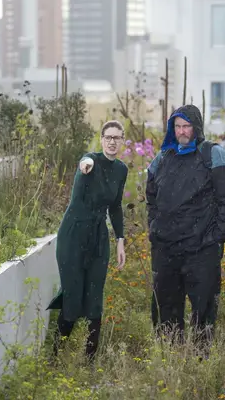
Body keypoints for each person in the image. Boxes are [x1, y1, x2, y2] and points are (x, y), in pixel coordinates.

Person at [146, 105, 225, 352]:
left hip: (201, 251)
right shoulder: (162, 159)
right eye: (177, 126)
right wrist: (155, 227)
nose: (182, 131)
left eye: (186, 126)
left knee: (204, 311)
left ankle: (200, 365)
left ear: (196, 127)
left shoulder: (215, 156)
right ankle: (170, 360)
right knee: (165, 309)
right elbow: (151, 198)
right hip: (166, 250)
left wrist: (212, 237)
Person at [47, 120, 128, 361]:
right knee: (72, 297)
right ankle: (53, 358)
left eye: (117, 138)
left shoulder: (122, 170)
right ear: (102, 139)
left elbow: (115, 207)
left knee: (95, 297)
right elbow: (86, 161)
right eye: (108, 137)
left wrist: (120, 240)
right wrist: (86, 164)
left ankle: (89, 362)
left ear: (122, 141)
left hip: (98, 238)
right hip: (73, 235)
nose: (112, 142)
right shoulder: (90, 161)